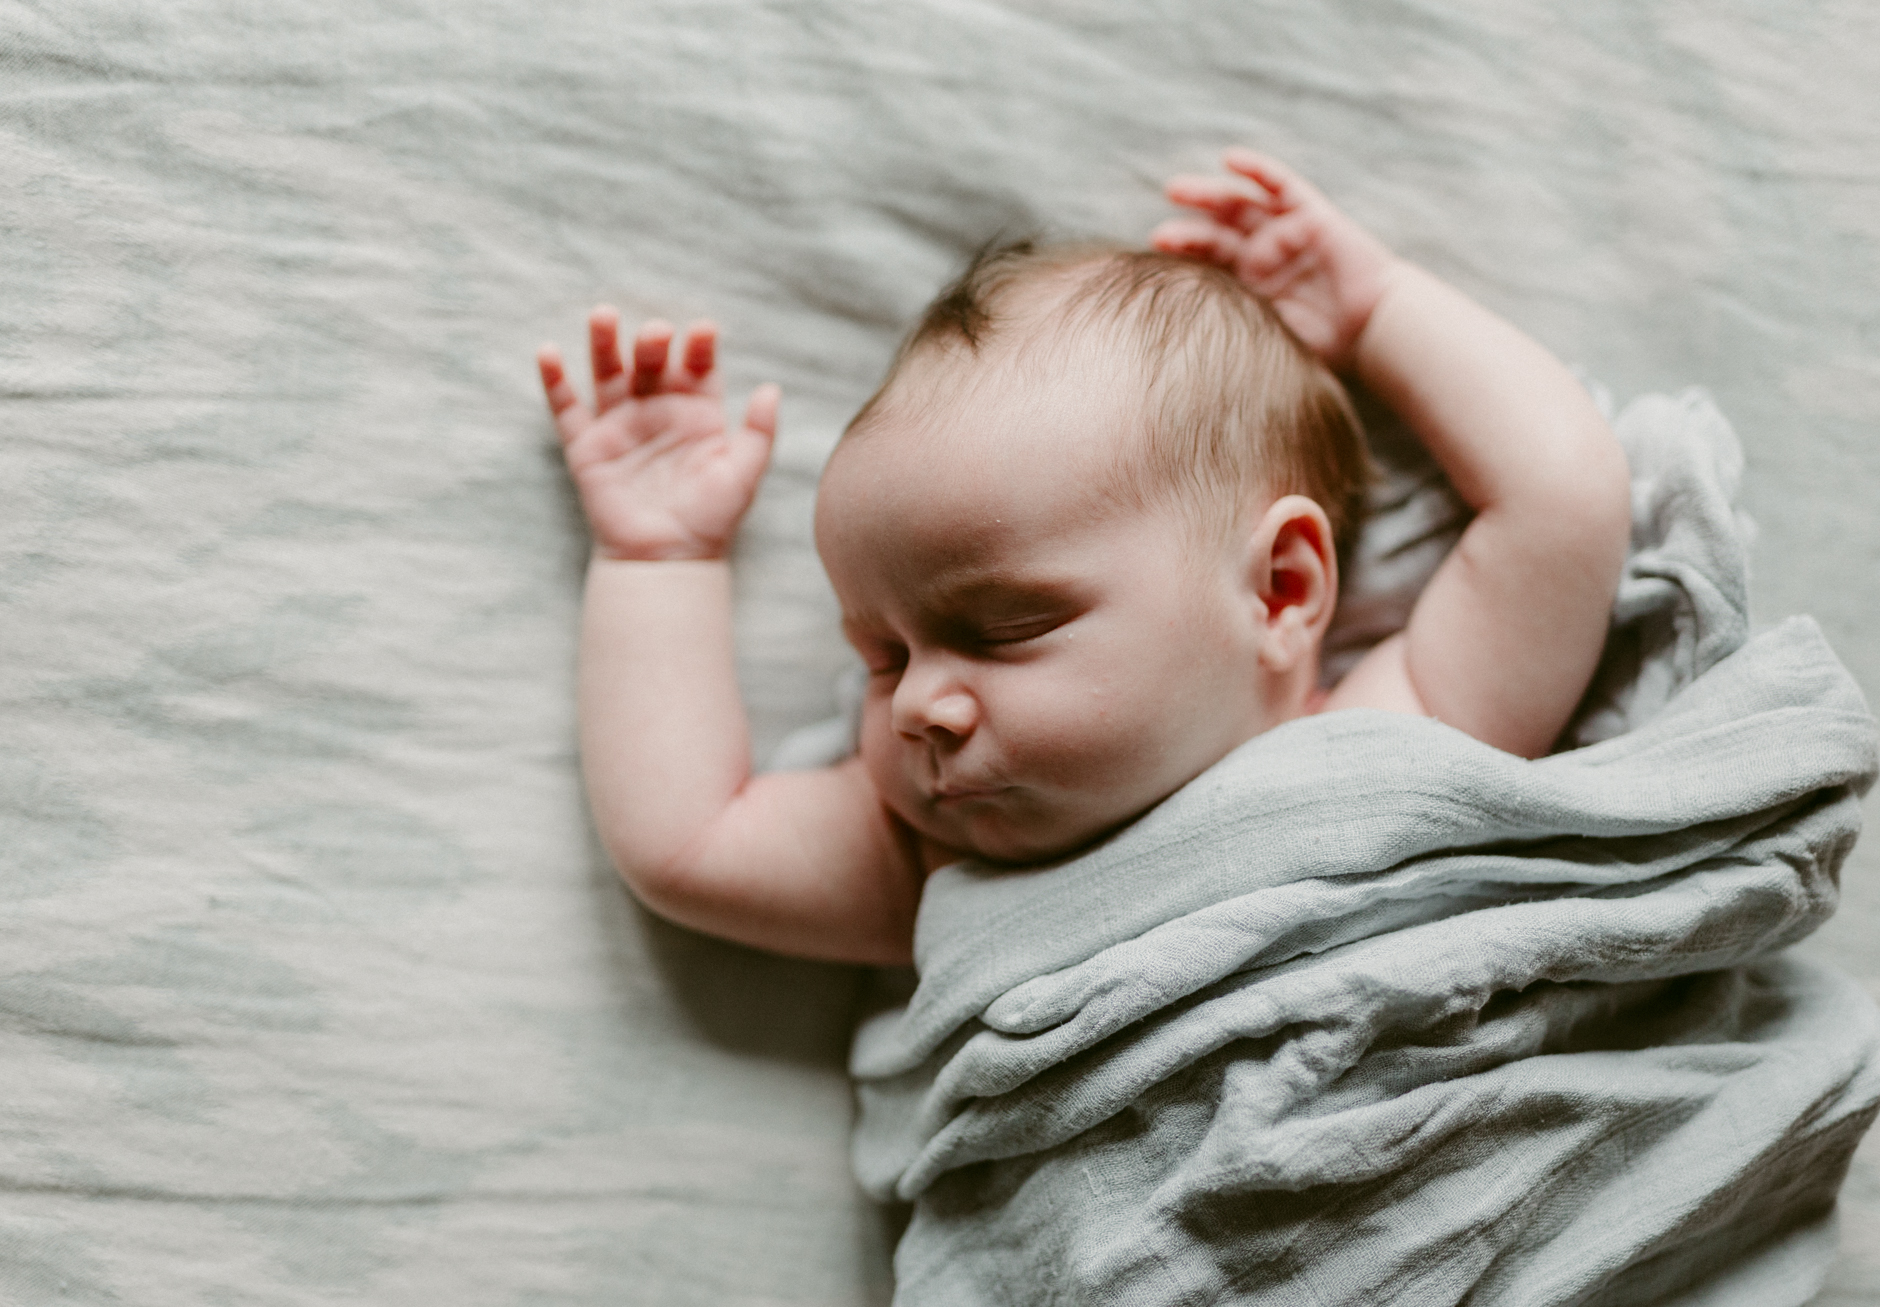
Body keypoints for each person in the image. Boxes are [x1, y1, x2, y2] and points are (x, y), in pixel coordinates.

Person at [534, 150, 1632, 968]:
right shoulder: (945, 862)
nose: (920, 704)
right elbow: (688, 843)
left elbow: (1562, 501)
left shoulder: (1386, 745)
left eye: (1002, 627)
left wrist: (1380, 308)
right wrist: (658, 558)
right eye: (878, 654)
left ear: (1280, 589)